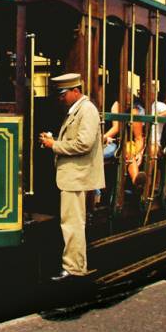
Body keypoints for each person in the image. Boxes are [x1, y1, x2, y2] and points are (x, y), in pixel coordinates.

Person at [39, 73, 105, 281]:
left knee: (73, 223)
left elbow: (84, 144)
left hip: (76, 176)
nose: (60, 98)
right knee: (72, 222)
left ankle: (74, 268)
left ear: (76, 91)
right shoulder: (78, 109)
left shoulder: (87, 110)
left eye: (63, 94)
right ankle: (73, 265)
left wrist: (54, 145)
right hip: (72, 175)